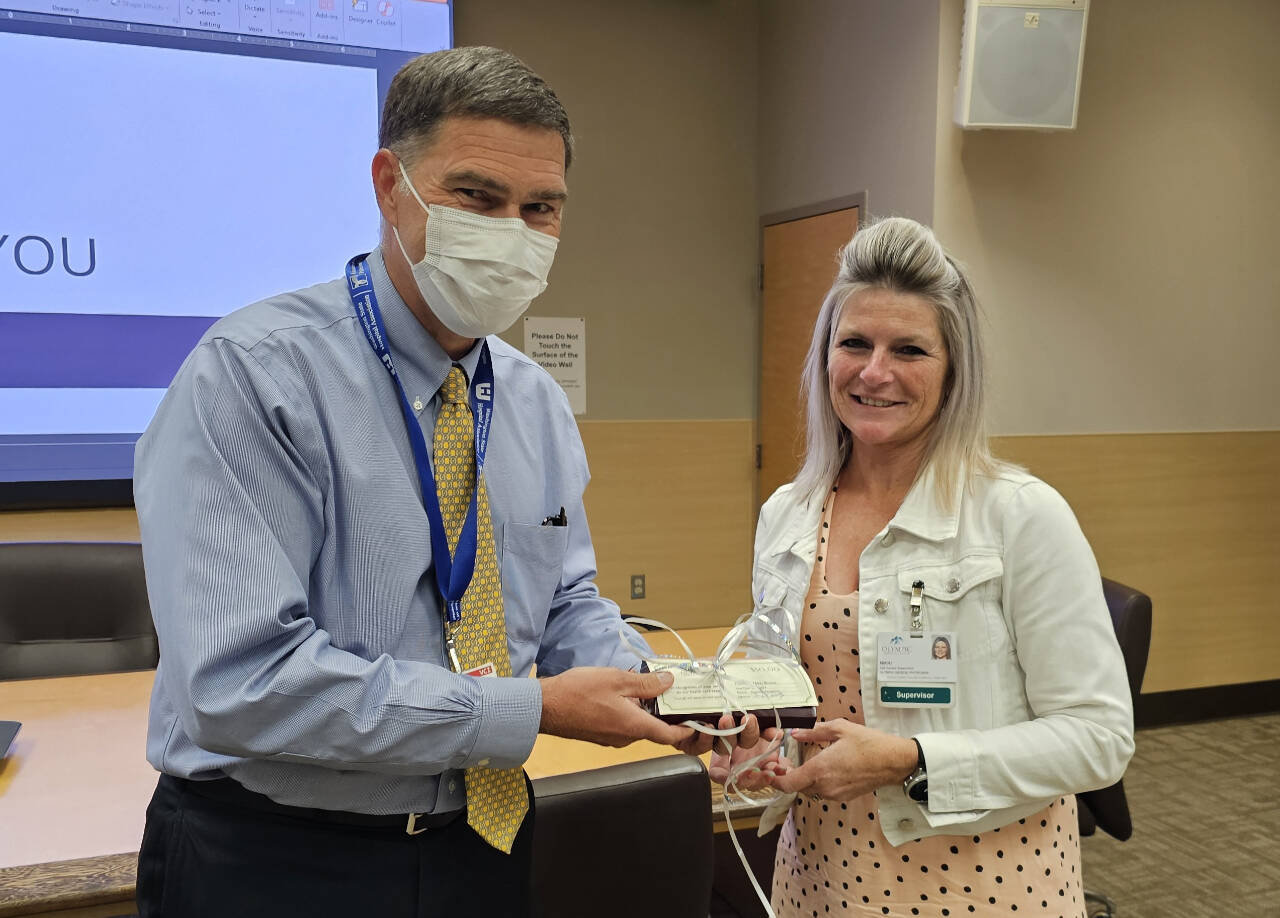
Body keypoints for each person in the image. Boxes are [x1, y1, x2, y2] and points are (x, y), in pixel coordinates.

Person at [133, 46, 747, 918]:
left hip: (481, 847)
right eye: (476, 197)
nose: (513, 232)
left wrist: (671, 694)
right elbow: (242, 684)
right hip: (278, 857)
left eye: (541, 208)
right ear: (391, 185)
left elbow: (566, 601)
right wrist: (527, 709)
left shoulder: (531, 401)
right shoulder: (253, 376)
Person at [712, 217, 1133, 917]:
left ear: (953, 370)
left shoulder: (1021, 516)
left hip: (982, 885)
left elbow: (1099, 739)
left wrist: (912, 760)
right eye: (855, 344)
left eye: (909, 349)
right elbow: (787, 693)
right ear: (825, 358)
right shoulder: (787, 513)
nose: (875, 372)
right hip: (819, 877)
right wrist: (755, 750)